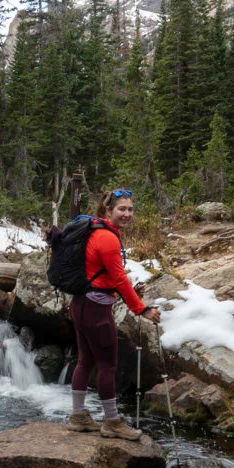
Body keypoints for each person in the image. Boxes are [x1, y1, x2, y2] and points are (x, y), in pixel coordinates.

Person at [67, 189, 161, 440]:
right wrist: (141, 309)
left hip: (81, 303)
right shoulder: (107, 238)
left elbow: (102, 274)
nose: (127, 214)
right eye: (122, 209)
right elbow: (119, 278)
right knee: (107, 364)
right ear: (108, 211)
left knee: (85, 360)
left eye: (130, 209)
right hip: (95, 309)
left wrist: (123, 293)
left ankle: (78, 416)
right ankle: (112, 422)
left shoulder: (96, 232)